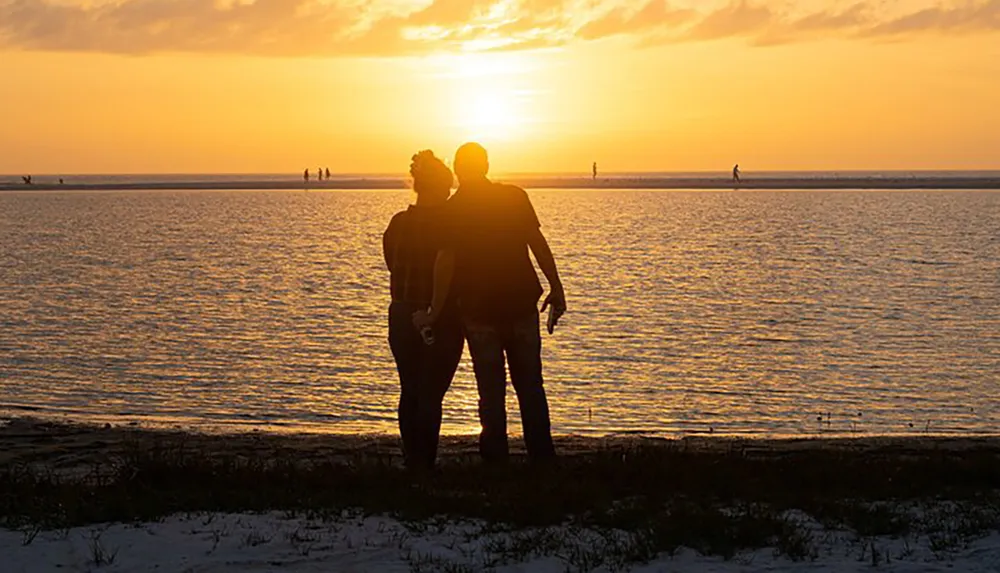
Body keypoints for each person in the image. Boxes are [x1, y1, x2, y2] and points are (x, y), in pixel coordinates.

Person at [414, 142, 566, 463]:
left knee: (491, 391)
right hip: (519, 303)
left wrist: (435, 311)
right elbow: (536, 242)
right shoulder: (514, 197)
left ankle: (496, 461)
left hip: (479, 310)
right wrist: (556, 286)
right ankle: (542, 459)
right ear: (485, 165)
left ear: (457, 170)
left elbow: (445, 261)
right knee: (530, 386)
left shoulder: (453, 209)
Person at [383, 150, 464, 470]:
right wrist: (434, 309)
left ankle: (411, 457)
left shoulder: (398, 223)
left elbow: (392, 264)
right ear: (443, 187)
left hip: (401, 313)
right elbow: (448, 266)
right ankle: (424, 463)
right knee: (431, 393)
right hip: (438, 316)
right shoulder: (451, 224)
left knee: (410, 389)